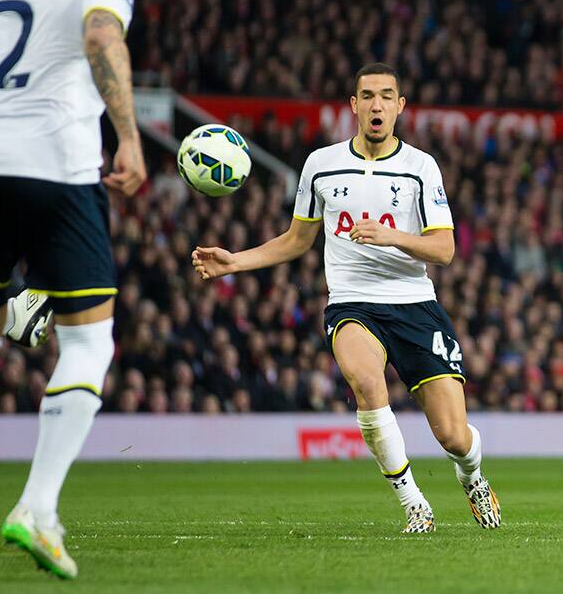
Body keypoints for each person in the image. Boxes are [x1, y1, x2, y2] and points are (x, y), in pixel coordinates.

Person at [192, 62, 500, 533]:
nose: (377, 104)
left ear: (400, 106)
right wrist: (234, 261)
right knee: (366, 383)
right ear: (354, 106)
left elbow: (445, 249)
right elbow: (296, 241)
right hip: (352, 302)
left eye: (387, 96)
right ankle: (413, 502)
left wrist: (392, 236)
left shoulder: (420, 167)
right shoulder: (320, 164)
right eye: (367, 96)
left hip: (414, 303)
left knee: (454, 436)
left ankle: (472, 477)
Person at [0, 0, 145, 578]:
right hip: (57, 163)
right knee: (89, 341)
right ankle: (37, 509)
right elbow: (98, 37)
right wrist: (130, 137)